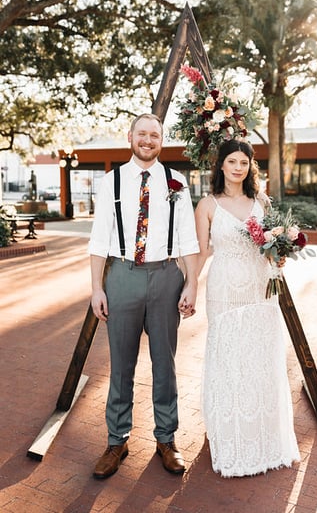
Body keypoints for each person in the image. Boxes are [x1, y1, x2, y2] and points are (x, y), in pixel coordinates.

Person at [88, 113, 199, 479]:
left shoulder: (177, 182)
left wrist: (192, 282)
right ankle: (116, 441)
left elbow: (188, 239)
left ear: (161, 140)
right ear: (130, 136)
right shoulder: (111, 182)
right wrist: (96, 288)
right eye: (142, 134)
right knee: (121, 365)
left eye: (155, 135)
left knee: (164, 365)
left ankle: (166, 440)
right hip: (122, 276)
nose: (148, 140)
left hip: (167, 276)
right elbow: (99, 240)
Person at [195, 139, 300, 477]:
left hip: (260, 291)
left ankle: (264, 434)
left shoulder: (262, 203)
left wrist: (280, 253)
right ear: (221, 166)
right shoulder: (208, 206)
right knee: (229, 360)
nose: (238, 167)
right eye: (232, 162)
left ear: (250, 167)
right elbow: (200, 253)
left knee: (259, 360)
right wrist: (188, 287)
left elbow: (271, 250)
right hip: (224, 290)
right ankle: (229, 432)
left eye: (244, 162)